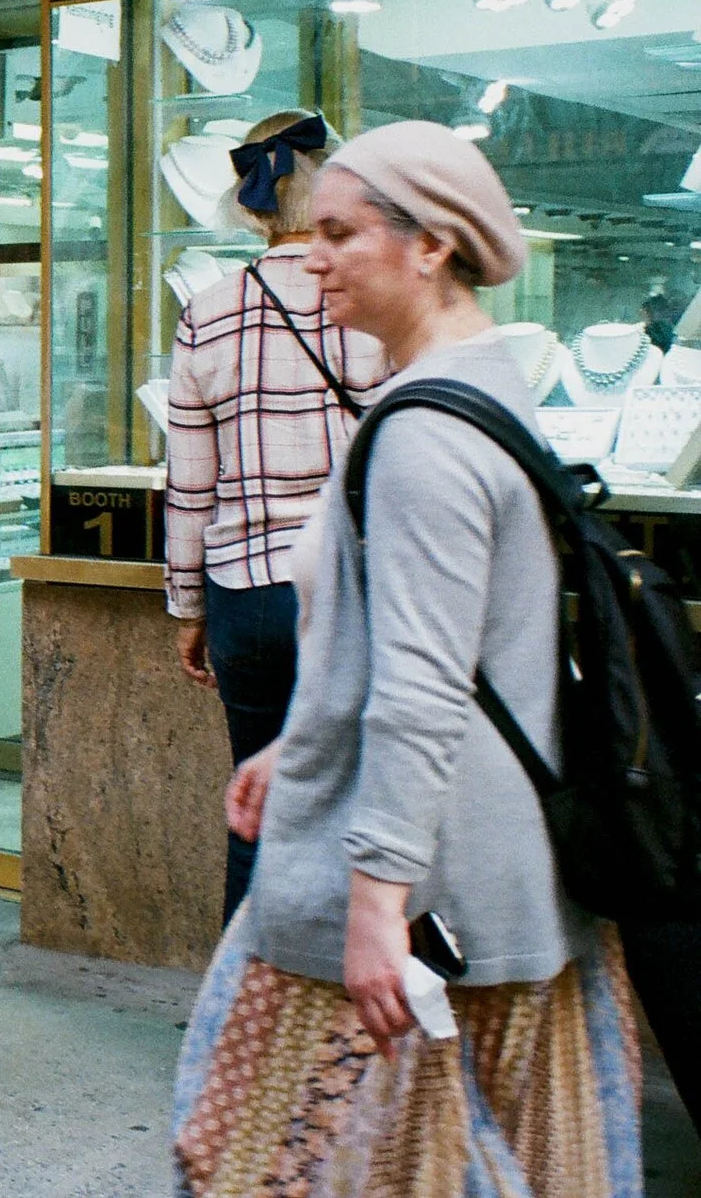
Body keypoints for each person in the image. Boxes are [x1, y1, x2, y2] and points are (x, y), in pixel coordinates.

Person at [175, 124, 640, 1195]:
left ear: (430, 246)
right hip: (492, 880)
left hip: (423, 899)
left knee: (257, 1165)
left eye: (340, 232)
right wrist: (303, 741)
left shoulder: (423, 434)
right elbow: (423, 641)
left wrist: (376, 904)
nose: (314, 254)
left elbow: (427, 683)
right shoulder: (482, 386)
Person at [164, 111, 386, 923]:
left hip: (246, 595)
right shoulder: (365, 297)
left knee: (257, 804)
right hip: (352, 588)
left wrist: (188, 608)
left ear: (257, 208)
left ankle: (244, 1015)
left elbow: (190, 482)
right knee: (365, 804)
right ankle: (345, 1022)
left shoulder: (208, 311)